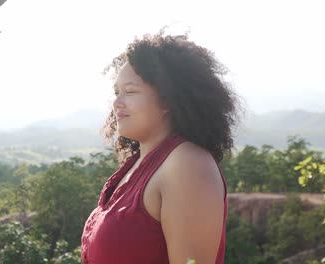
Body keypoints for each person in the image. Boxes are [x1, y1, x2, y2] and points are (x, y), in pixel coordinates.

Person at [81, 31, 238, 264]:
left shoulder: (187, 164)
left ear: (167, 99)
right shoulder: (135, 166)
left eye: (130, 91)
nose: (116, 103)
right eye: (117, 92)